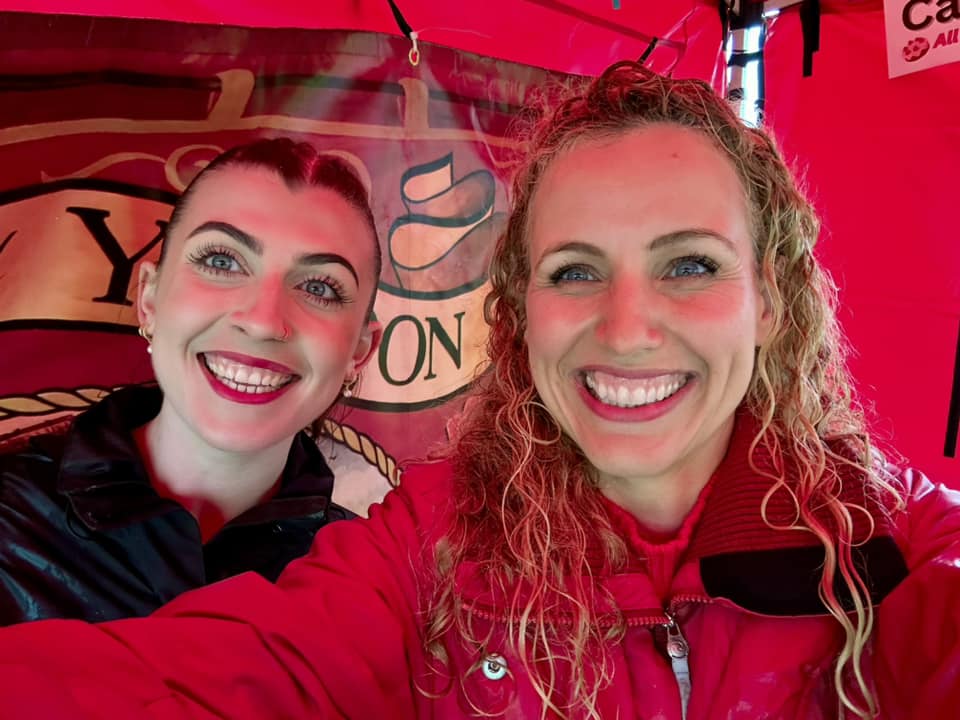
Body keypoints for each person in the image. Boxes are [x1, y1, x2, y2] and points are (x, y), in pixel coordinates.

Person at [0, 62, 957, 720]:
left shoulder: (900, 543)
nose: (626, 328)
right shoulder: (429, 539)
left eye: (691, 266)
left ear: (772, 306)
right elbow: (213, 681)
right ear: (519, 315)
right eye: (575, 271)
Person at [0, 137, 382, 624]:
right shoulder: (9, 509)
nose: (263, 321)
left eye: (319, 287)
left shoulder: (370, 590)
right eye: (222, 261)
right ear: (150, 300)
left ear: (359, 351)